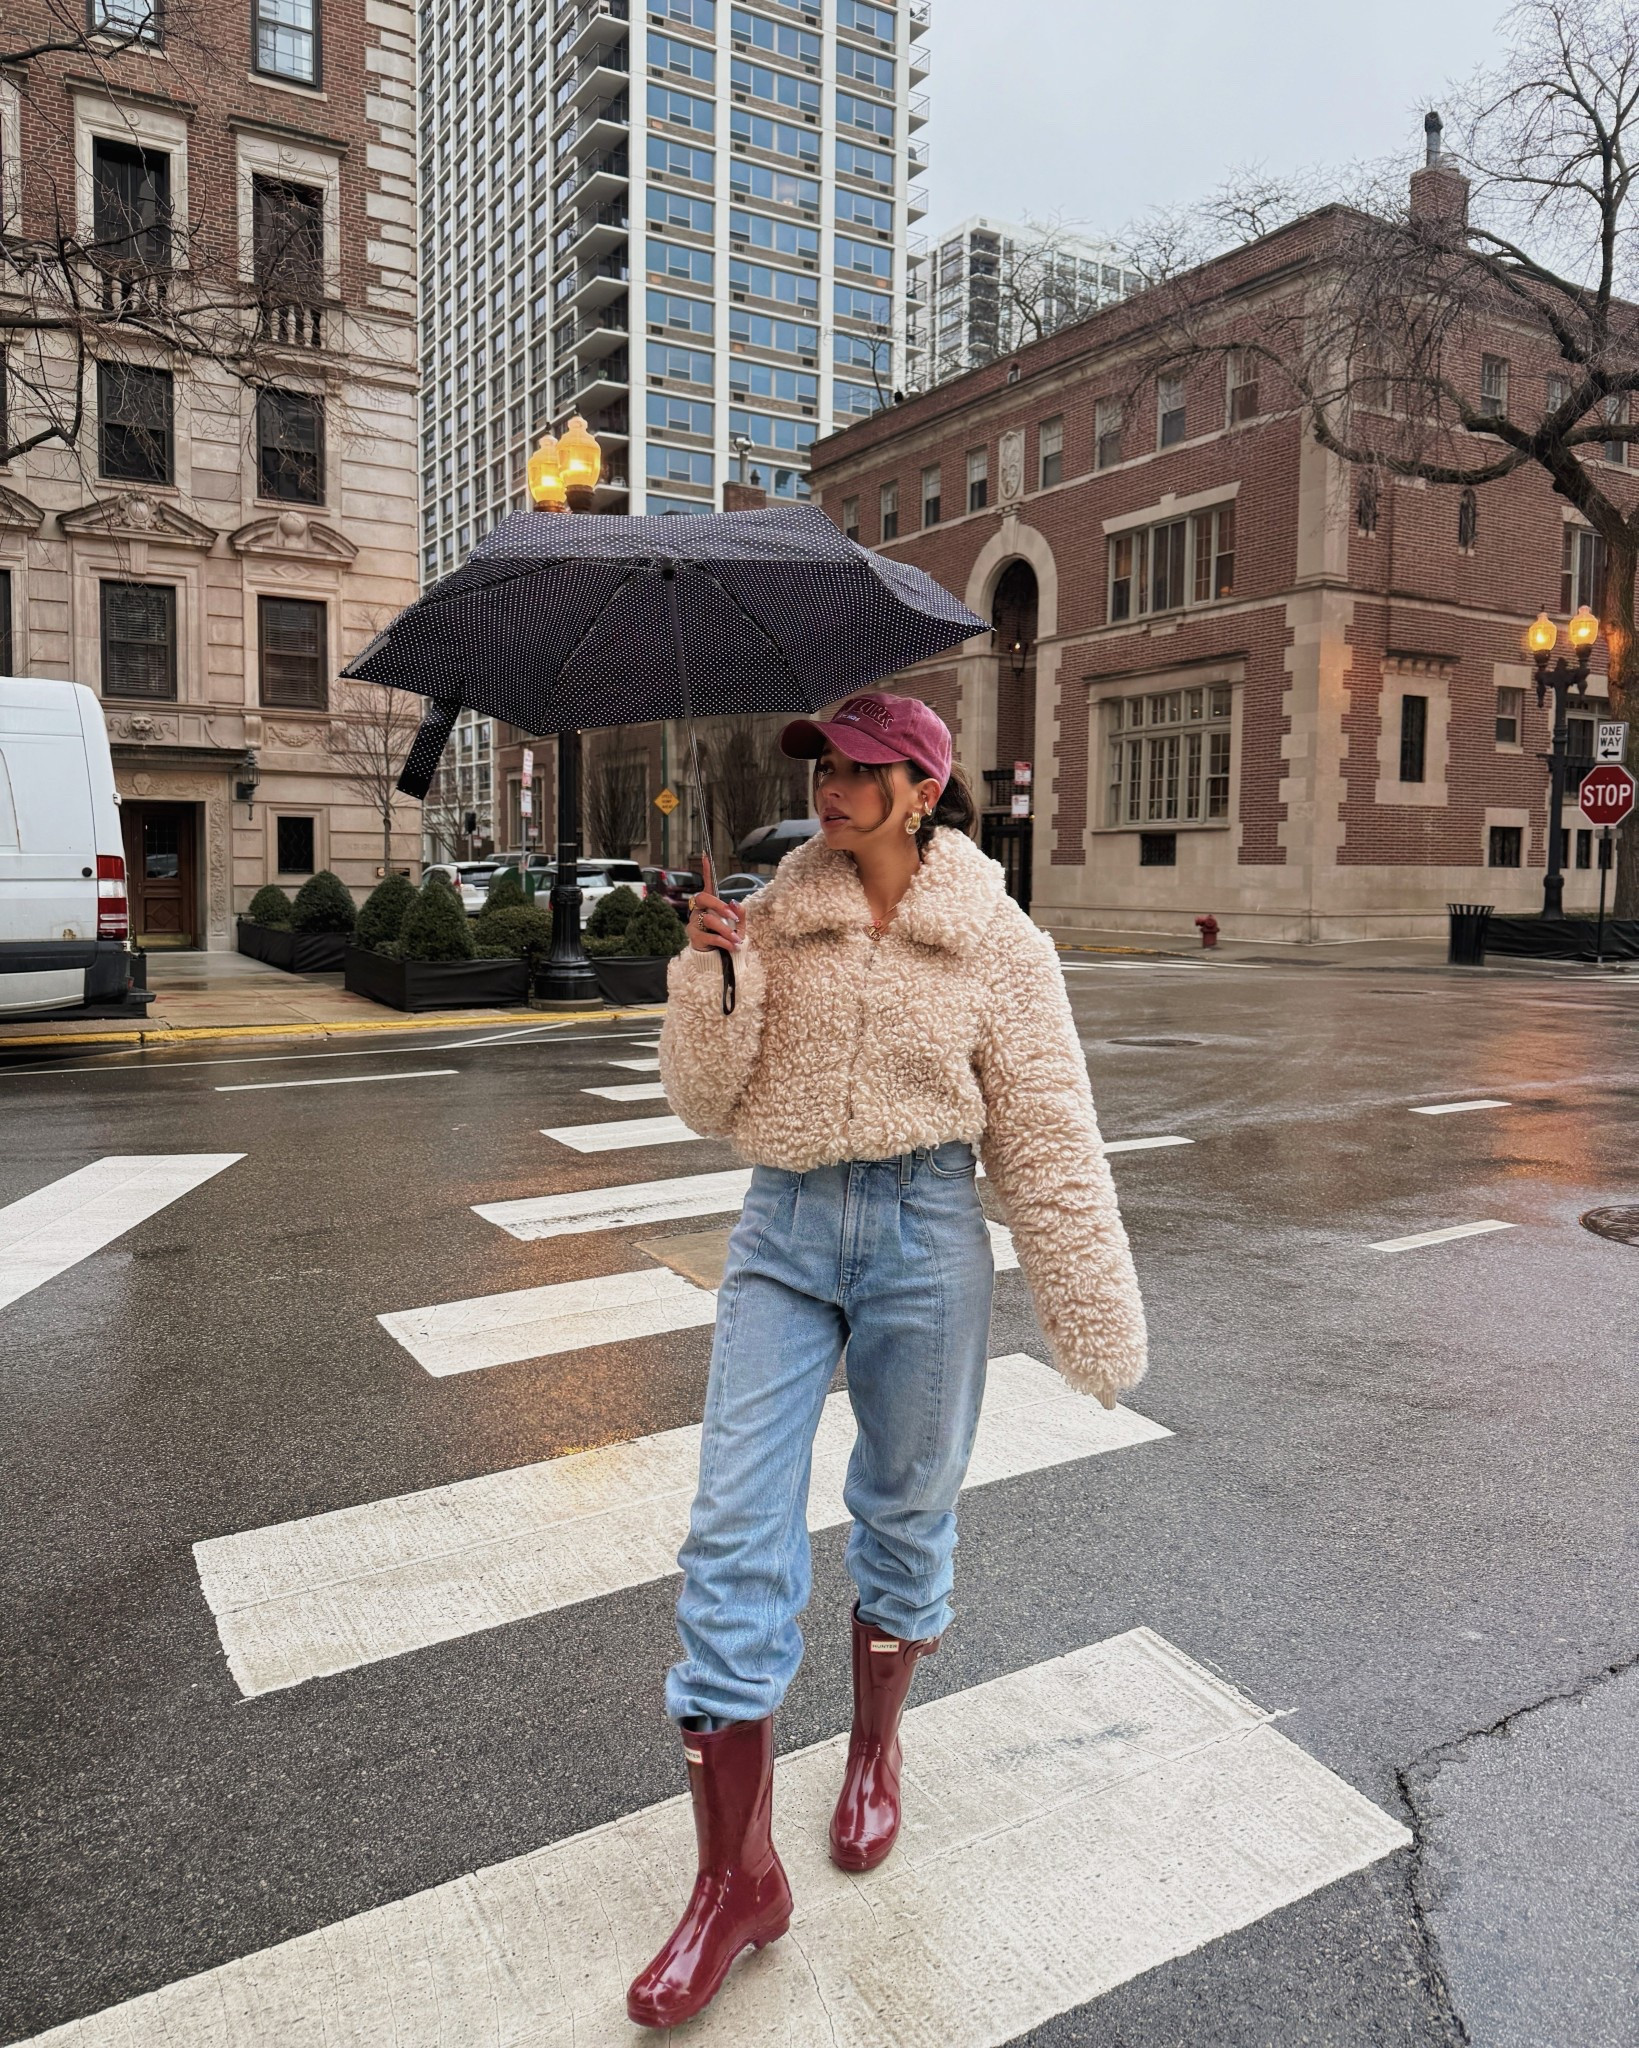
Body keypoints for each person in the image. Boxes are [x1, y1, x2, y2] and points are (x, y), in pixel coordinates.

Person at [626, 692, 1148, 2029]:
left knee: (906, 1512)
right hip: (784, 1233)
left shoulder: (999, 943)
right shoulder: (769, 914)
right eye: (825, 768)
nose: (833, 789)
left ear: (923, 787)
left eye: (863, 772)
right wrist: (710, 975)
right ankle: (735, 1882)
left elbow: (1046, 1132)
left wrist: (1096, 1320)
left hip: (926, 1233)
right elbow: (705, 1102)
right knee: (733, 1530)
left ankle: (873, 1748)